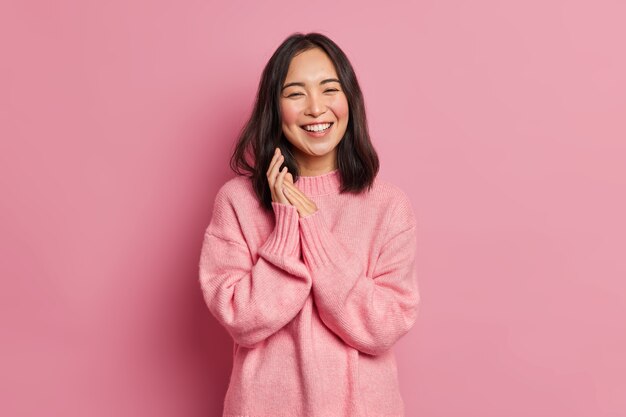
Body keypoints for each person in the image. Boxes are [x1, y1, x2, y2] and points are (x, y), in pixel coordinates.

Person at [198, 32, 420, 417]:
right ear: (274, 106)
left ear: (349, 99)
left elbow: (382, 328)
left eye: (329, 89)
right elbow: (243, 319)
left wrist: (311, 229)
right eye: (296, 93)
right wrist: (285, 231)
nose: (316, 108)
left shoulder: (389, 207)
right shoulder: (237, 201)